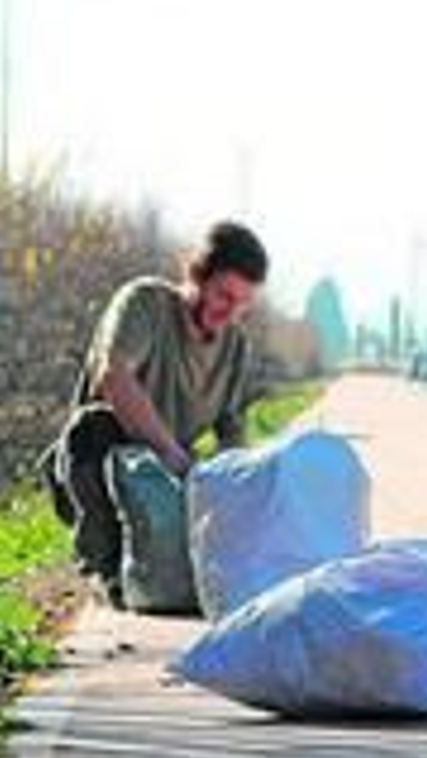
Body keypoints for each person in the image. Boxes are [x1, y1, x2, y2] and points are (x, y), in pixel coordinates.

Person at [41, 220, 269, 606]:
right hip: (101, 466)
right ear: (196, 275)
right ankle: (104, 565)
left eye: (242, 304)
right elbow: (114, 377)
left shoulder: (236, 348)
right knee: (91, 427)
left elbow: (233, 437)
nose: (230, 312)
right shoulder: (145, 303)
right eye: (223, 296)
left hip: (166, 482)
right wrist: (169, 451)